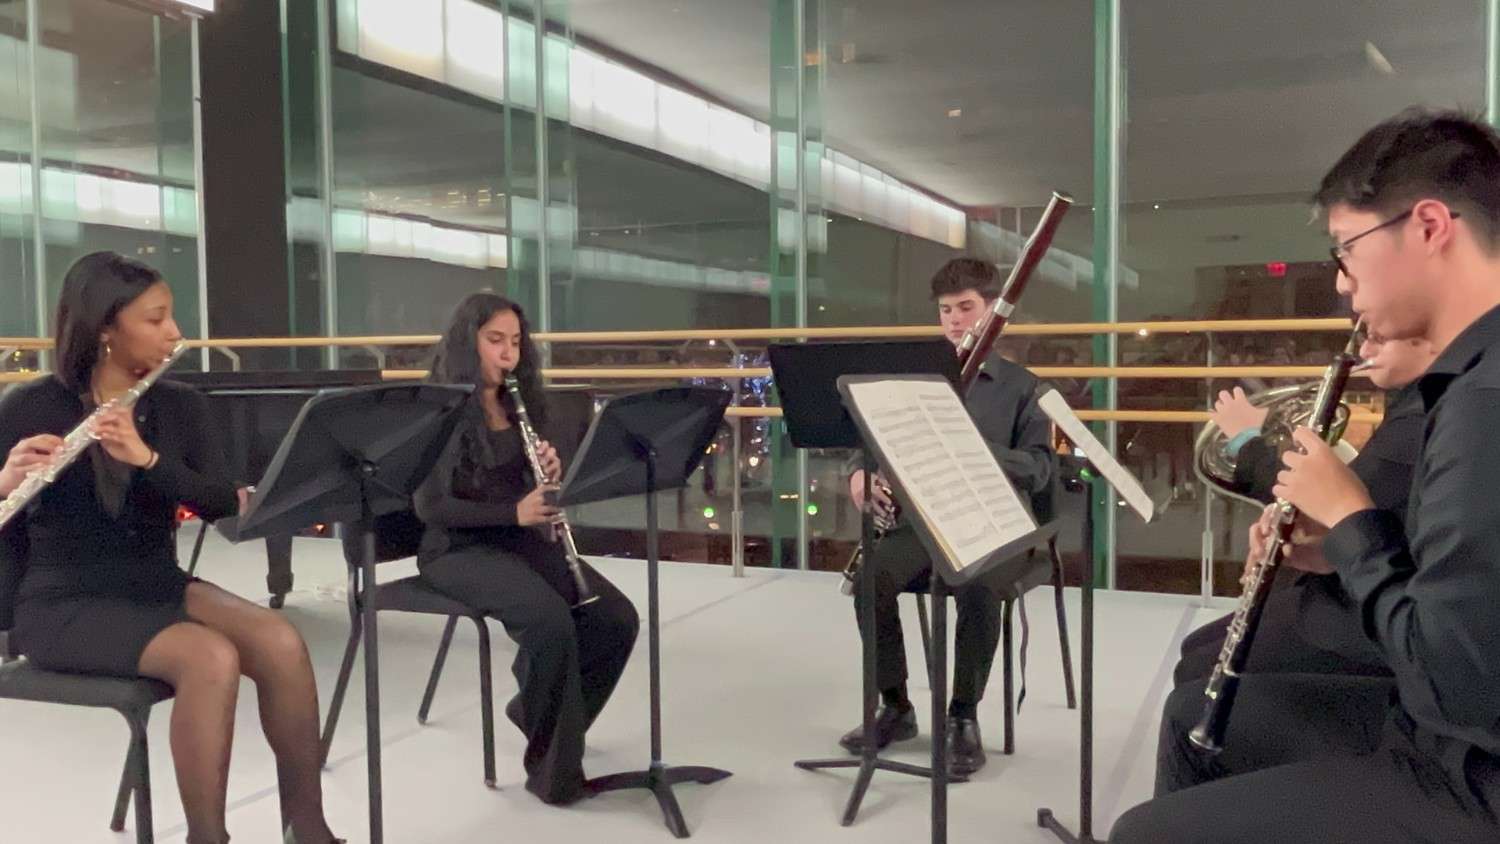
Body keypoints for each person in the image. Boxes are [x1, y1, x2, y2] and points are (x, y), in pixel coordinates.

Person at [1112, 108, 1500, 843]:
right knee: (1194, 712)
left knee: (1144, 833)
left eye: (1346, 251)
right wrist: (1340, 545)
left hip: (1466, 773)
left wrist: (1353, 525)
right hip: (1445, 728)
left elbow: (1453, 684)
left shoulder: (1484, 401)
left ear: (1427, 227)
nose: (1345, 285)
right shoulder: (1473, 378)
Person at [0, 252, 341, 844]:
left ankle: (308, 828)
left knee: (280, 641)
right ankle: (206, 837)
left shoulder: (181, 407)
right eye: (155, 319)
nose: (175, 333)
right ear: (106, 327)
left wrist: (150, 461)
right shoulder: (31, 407)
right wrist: (5, 482)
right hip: (62, 603)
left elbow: (220, 502)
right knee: (209, 658)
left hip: (154, 580)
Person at [414, 291, 639, 806]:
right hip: (456, 549)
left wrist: (548, 473)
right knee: (550, 622)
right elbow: (431, 507)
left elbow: (526, 490)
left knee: (614, 618)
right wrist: (512, 512)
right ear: (467, 343)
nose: (508, 354)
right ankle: (555, 773)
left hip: (517, 541)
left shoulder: (519, 403)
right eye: (495, 341)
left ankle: (536, 712)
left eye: (515, 342)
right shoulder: (440, 408)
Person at [838, 257, 1055, 777]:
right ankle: (896, 705)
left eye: (966, 307)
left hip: (997, 527)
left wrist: (973, 449)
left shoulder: (1024, 387)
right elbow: (866, 442)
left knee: (978, 587)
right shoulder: (915, 383)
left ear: (993, 313)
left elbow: (1041, 470)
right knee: (871, 579)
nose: (955, 320)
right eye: (946, 310)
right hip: (924, 523)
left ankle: (963, 715)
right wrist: (857, 476)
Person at [1171, 332, 1436, 688]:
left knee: (1195, 673)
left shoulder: (1419, 420)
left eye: (1379, 337)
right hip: (1354, 594)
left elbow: (1343, 511)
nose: (1364, 351)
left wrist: (1248, 443)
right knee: (1194, 650)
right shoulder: (1409, 403)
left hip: (1363, 619)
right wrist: (1312, 543)